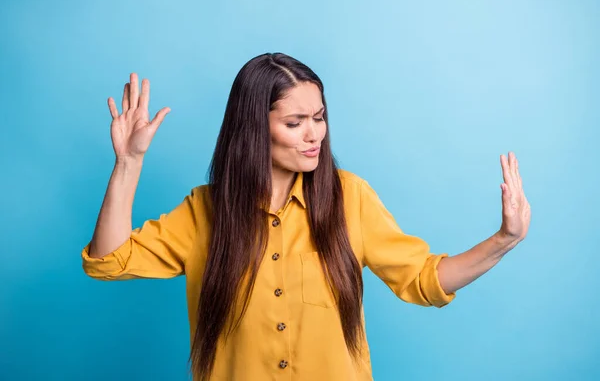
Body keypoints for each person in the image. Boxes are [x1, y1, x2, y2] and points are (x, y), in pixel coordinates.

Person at [81, 52, 531, 381]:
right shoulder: (204, 212)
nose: (314, 133)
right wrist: (128, 163)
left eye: (319, 117)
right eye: (295, 123)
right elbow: (108, 262)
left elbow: (425, 280)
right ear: (255, 128)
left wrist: (504, 239)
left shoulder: (350, 198)